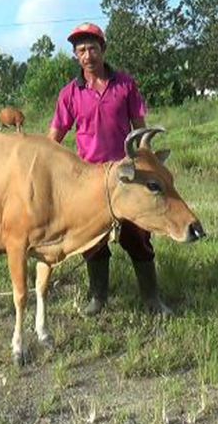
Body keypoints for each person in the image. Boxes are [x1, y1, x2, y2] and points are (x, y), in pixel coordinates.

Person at [47, 22, 172, 317]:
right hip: (89, 180)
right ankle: (98, 298)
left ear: (103, 49)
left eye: (92, 48)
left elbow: (140, 131)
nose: (87, 55)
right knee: (93, 242)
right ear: (76, 56)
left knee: (137, 236)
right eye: (81, 50)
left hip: (125, 177)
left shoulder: (125, 85)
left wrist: (147, 166)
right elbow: (54, 139)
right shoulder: (70, 94)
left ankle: (152, 300)